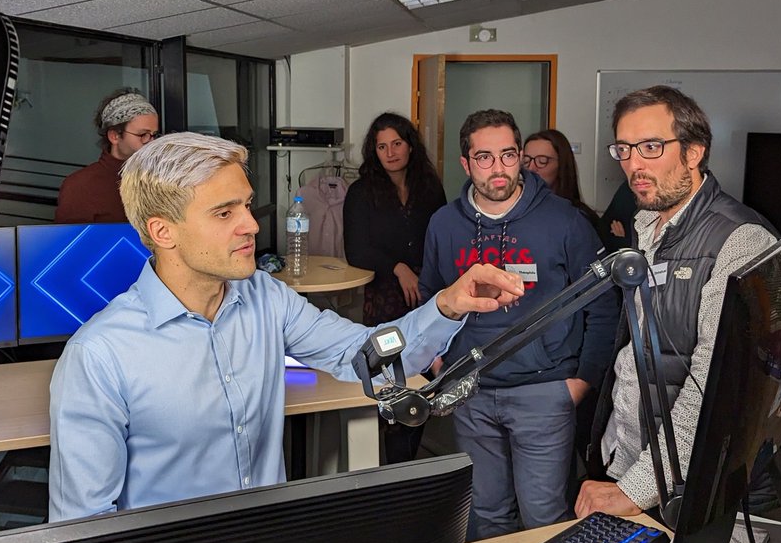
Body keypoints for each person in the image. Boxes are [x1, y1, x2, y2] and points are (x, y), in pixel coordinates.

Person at [48, 132, 525, 522]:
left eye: (246, 206)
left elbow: (365, 355)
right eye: (224, 212)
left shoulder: (265, 296)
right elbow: (83, 528)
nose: (252, 226)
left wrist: (445, 306)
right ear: (162, 231)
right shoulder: (101, 354)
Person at [576, 85, 781, 521]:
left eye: (650, 146)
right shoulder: (646, 228)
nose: (633, 165)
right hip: (636, 464)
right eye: (624, 149)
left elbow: (715, 392)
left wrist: (636, 489)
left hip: (712, 485)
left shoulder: (741, 242)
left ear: (694, 151)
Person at [419, 109, 618, 540]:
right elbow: (430, 299)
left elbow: (602, 309)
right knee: (485, 517)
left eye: (508, 155)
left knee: (543, 517)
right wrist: (439, 365)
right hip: (470, 391)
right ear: (466, 163)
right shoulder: (444, 224)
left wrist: (581, 382)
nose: (498, 169)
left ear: (521, 157)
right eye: (485, 158)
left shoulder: (566, 221)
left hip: (544, 391)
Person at [344, 113, 447, 326]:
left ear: (410, 146)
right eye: (382, 147)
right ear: (375, 152)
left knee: (433, 353)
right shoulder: (361, 192)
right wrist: (399, 269)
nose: (390, 153)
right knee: (388, 353)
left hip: (429, 285)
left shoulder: (430, 187)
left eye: (397, 143)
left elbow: (444, 237)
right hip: (385, 289)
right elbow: (356, 251)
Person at [54, 88, 160, 224]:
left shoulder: (160, 178)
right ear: (114, 136)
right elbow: (70, 242)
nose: (151, 142)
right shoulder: (80, 187)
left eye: (154, 135)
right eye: (142, 135)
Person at [521, 128, 600, 229]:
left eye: (542, 161)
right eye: (526, 161)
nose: (531, 168)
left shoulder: (579, 217)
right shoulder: (516, 211)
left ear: (562, 165)